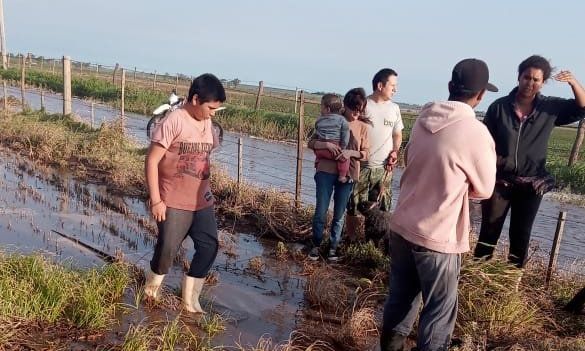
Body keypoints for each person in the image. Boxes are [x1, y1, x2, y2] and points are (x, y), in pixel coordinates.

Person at [380, 59, 497, 351]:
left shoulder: (423, 118)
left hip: (403, 225)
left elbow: (411, 160)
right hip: (438, 237)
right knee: (439, 312)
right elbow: (484, 189)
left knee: (401, 299)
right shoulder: (476, 132)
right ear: (480, 95)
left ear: (449, 87)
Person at [474, 55, 585, 268]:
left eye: (536, 80)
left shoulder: (550, 108)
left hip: (531, 185)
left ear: (543, 83)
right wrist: (498, 164)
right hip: (500, 182)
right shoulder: (499, 107)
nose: (530, 83)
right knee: (488, 232)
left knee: (521, 235)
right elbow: (484, 143)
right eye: (526, 77)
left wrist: (573, 82)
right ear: (518, 77)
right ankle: (479, 276)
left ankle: (512, 282)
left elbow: (582, 108)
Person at [143, 73, 226, 313]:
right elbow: (151, 161)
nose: (213, 113)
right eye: (210, 108)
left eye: (216, 110)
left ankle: (190, 301)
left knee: (209, 246)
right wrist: (156, 200)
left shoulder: (207, 122)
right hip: (173, 200)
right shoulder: (174, 121)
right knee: (167, 250)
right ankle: (151, 289)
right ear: (196, 99)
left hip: (202, 200)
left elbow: (205, 155)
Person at [308, 88, 370, 261]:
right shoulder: (331, 120)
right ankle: (316, 244)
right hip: (325, 171)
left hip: (348, 174)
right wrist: (326, 145)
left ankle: (333, 247)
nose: (357, 113)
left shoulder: (363, 127)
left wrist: (350, 153)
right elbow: (311, 142)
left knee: (339, 213)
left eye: (360, 110)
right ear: (345, 107)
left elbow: (366, 154)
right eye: (354, 110)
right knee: (321, 210)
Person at [346, 68, 403, 240]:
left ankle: (379, 246)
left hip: (384, 169)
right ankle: (353, 243)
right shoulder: (363, 106)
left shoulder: (394, 108)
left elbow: (397, 134)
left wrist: (395, 151)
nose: (395, 89)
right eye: (392, 85)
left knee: (383, 208)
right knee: (354, 207)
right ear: (380, 85)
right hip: (361, 166)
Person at [313, 93, 351, 183]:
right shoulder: (342, 120)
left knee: (319, 158)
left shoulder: (319, 119)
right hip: (334, 149)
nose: (321, 109)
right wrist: (343, 147)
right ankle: (342, 176)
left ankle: (317, 165)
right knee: (344, 158)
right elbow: (345, 136)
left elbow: (317, 130)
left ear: (328, 109)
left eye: (321, 107)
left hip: (320, 150)